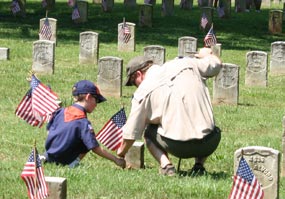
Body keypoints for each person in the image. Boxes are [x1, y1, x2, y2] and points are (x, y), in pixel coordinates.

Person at [117, 47, 222, 176]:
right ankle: (199, 165)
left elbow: (131, 132)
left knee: (149, 132)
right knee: (208, 124)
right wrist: (208, 55)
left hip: (177, 146)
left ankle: (166, 166)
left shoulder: (143, 90)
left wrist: (121, 153)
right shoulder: (188, 63)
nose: (136, 86)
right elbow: (216, 65)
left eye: (134, 83)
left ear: (139, 74)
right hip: (210, 142)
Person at [42, 80, 126, 169]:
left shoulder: (60, 111)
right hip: (64, 160)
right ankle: (73, 163)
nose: (96, 105)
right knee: (88, 141)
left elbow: (49, 130)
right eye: (96, 100)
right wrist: (116, 160)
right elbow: (95, 148)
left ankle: (46, 157)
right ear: (88, 97)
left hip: (50, 153)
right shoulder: (83, 122)